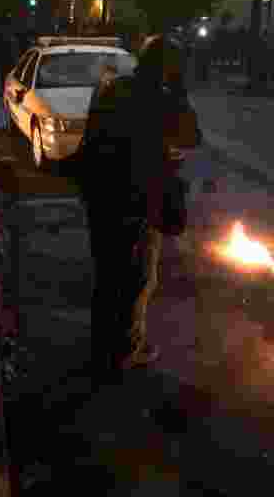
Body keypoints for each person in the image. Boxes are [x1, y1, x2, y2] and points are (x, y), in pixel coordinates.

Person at [81, 34, 200, 377]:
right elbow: (191, 135)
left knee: (107, 277)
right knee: (137, 279)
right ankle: (125, 351)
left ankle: (101, 347)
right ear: (168, 68)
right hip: (135, 203)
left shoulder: (111, 87)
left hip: (100, 198)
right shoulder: (160, 97)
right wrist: (178, 90)